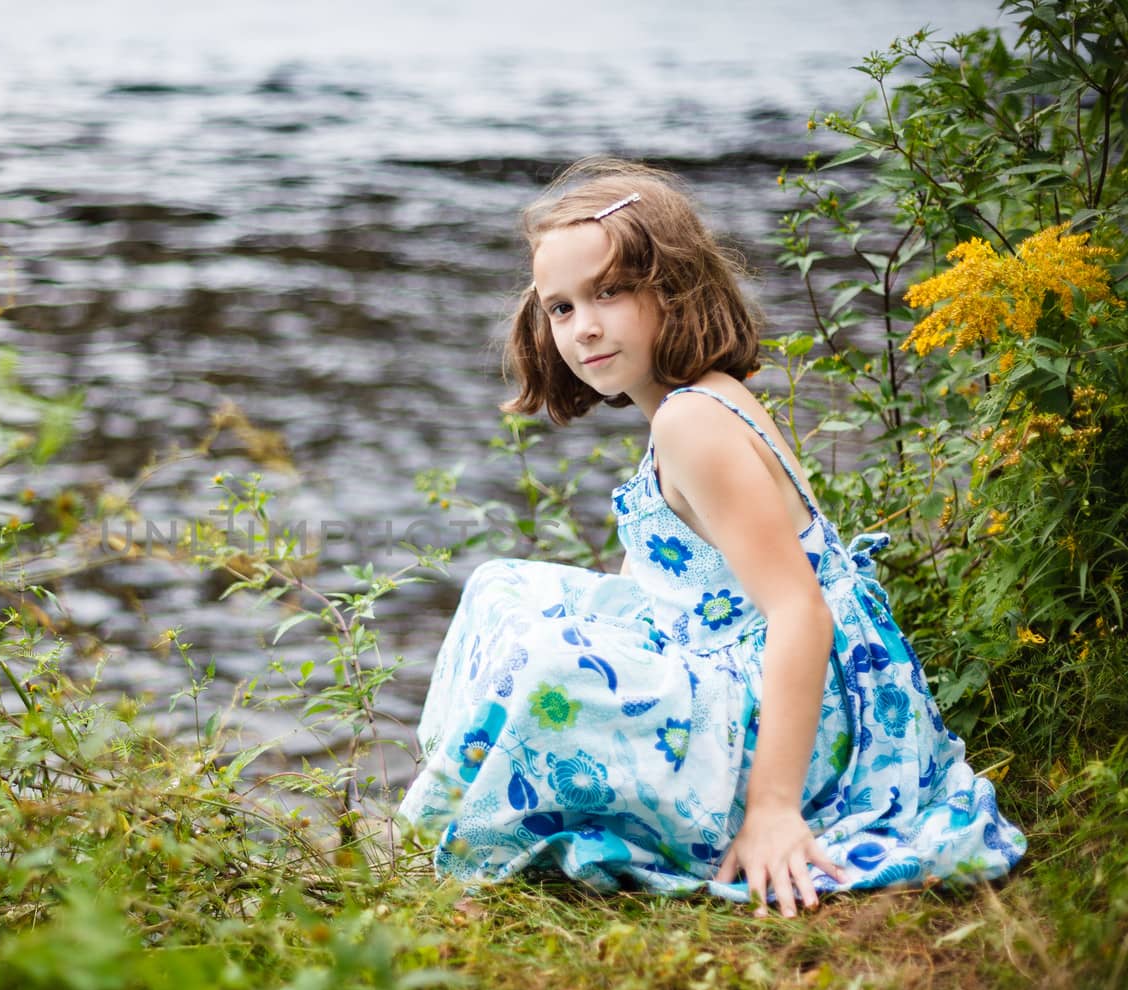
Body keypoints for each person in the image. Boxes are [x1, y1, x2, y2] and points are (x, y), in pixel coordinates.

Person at [396, 159, 1026, 916]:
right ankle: (450, 809)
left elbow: (801, 611)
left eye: (608, 292)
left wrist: (774, 808)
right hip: (743, 655)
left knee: (544, 664)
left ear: (672, 287)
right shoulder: (697, 400)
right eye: (560, 307)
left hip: (796, 711)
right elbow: (675, 582)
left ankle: (466, 837)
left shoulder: (691, 420)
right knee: (502, 588)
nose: (583, 326)